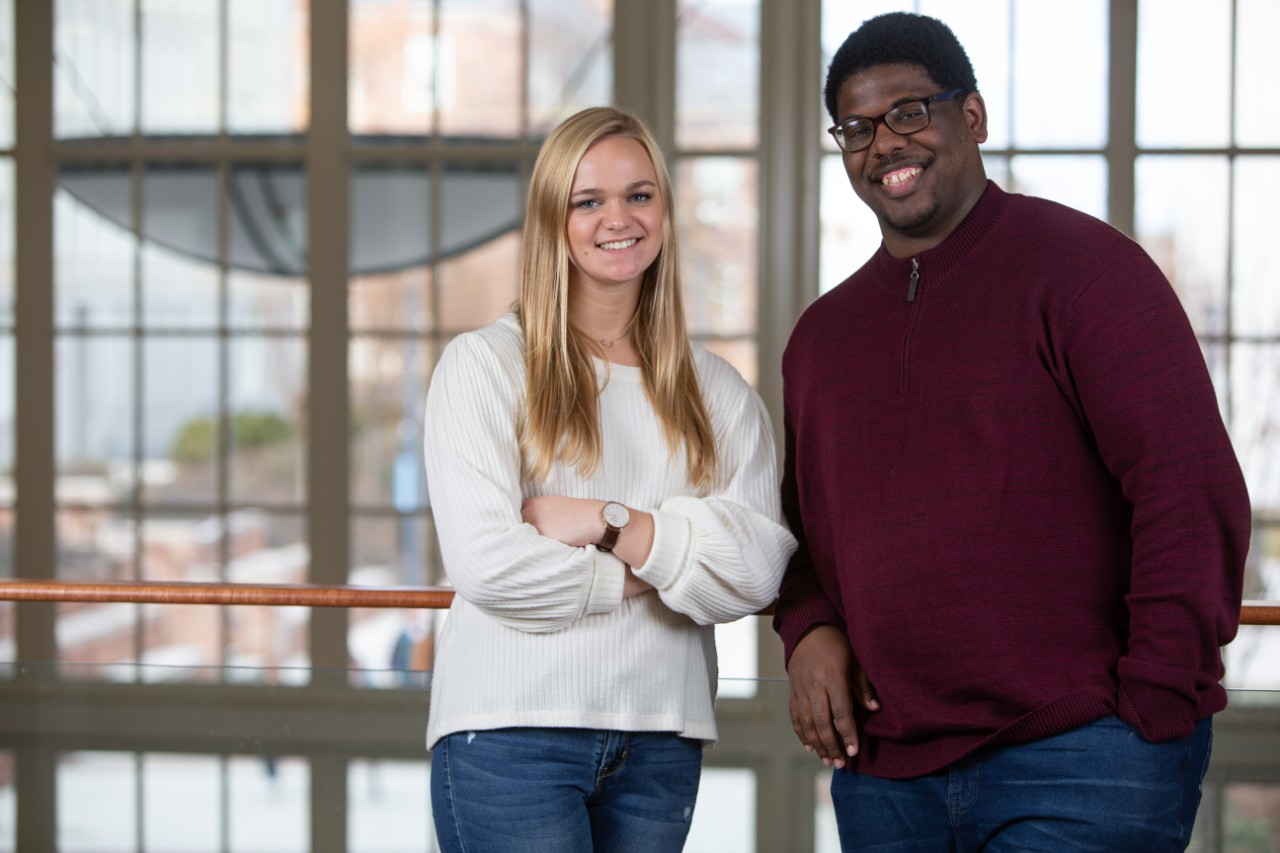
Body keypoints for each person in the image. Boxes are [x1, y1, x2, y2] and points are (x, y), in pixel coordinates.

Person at [772, 12, 1251, 852]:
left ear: (974, 117)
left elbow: (1187, 487)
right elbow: (803, 533)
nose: (884, 143)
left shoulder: (1086, 272)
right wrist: (809, 626)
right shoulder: (821, 337)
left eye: (910, 112)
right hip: (887, 778)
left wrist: (1156, 705)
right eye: (857, 127)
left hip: (1085, 757)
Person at [422, 105, 796, 852]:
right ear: (551, 218)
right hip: (509, 734)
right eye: (587, 200)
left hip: (662, 738)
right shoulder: (484, 366)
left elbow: (756, 571)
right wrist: (662, 565)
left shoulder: (719, 393)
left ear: (663, 208)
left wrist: (610, 523)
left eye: (639, 194)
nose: (617, 218)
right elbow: (486, 564)